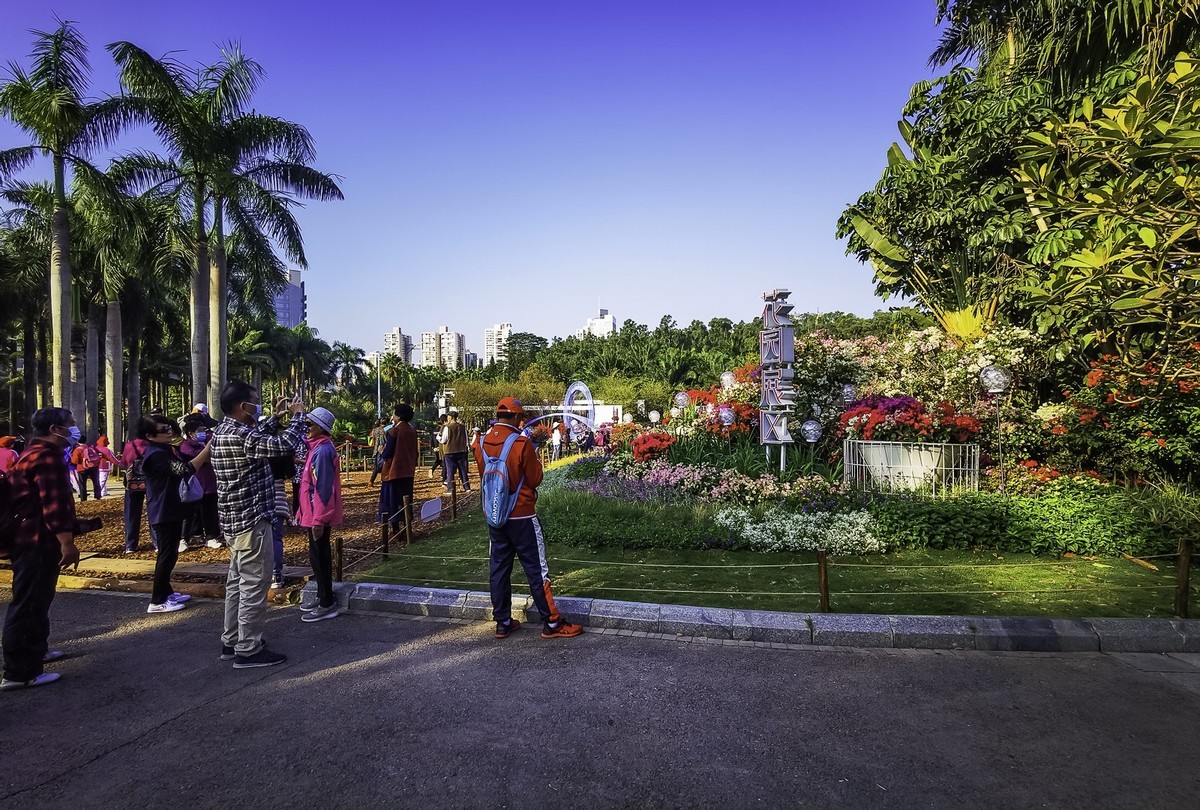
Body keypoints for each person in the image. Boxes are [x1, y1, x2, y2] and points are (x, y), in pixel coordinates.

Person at [210, 379, 308, 669]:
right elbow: (283, 445)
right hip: (252, 521)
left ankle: (231, 640)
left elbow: (257, 439)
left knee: (237, 583)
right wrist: (299, 415)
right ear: (243, 406)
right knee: (254, 583)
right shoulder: (240, 436)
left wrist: (276, 418)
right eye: (255, 402)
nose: (259, 406)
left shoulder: (224, 431)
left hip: (234, 521)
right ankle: (248, 648)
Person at [472, 397, 582, 640]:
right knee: (536, 568)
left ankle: (502, 622)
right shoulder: (521, 443)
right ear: (516, 417)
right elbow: (534, 479)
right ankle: (552, 622)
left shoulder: (480, 443)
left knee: (498, 569)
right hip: (522, 514)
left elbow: (484, 477)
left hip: (495, 515)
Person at [1, 407, 82, 691]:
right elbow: (53, 504)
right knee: (29, 602)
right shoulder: (47, 458)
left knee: (37, 598)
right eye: (70, 424)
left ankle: (36, 652)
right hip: (37, 540)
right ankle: (19, 672)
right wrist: (67, 542)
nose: (75, 429)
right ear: (55, 429)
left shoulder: (30, 454)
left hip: (27, 538)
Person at [139, 414, 211, 614]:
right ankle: (157, 600)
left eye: (169, 428)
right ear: (149, 435)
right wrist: (207, 450)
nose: (169, 432)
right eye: (163, 430)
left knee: (171, 554)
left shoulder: (164, 450)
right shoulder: (155, 455)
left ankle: (166, 591)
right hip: (163, 510)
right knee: (166, 554)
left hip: (172, 508)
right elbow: (185, 469)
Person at [296, 407, 343, 622]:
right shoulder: (315, 449)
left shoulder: (323, 451)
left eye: (310, 425)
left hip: (318, 514)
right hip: (311, 512)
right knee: (316, 557)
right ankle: (323, 595)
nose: (306, 428)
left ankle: (327, 603)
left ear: (321, 428)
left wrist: (319, 519)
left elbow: (324, 488)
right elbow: (307, 483)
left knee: (320, 557)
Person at [180, 416, 221, 548]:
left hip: (210, 484)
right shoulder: (185, 446)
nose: (203, 433)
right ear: (190, 433)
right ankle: (184, 538)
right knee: (190, 514)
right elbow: (200, 458)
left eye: (204, 430)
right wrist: (206, 452)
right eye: (199, 430)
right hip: (194, 485)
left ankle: (211, 536)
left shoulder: (208, 442)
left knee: (211, 511)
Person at [378, 404, 418, 536]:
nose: (392, 417)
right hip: (408, 471)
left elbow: (388, 453)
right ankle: (407, 526)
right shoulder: (412, 431)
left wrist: (381, 451)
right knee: (405, 500)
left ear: (398, 416)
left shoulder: (394, 431)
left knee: (392, 502)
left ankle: (395, 529)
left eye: (394, 414)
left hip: (394, 472)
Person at [120, 432, 157, 553]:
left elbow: (124, 462)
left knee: (131, 513)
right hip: (151, 482)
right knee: (154, 511)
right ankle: (157, 542)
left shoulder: (130, 446)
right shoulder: (153, 446)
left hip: (133, 483)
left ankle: (130, 545)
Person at [440, 410, 470, 492]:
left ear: (451, 417)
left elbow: (444, 440)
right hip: (461, 450)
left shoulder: (447, 427)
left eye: (448, 417)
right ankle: (467, 487)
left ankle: (451, 489)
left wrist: (438, 438)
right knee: (463, 470)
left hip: (450, 451)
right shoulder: (463, 427)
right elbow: (466, 439)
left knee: (450, 471)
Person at [368, 419, 387, 486]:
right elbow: (386, 440)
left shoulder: (375, 430)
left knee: (376, 466)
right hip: (383, 449)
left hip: (376, 450)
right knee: (385, 466)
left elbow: (372, 437)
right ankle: (383, 481)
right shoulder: (386, 429)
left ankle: (371, 481)